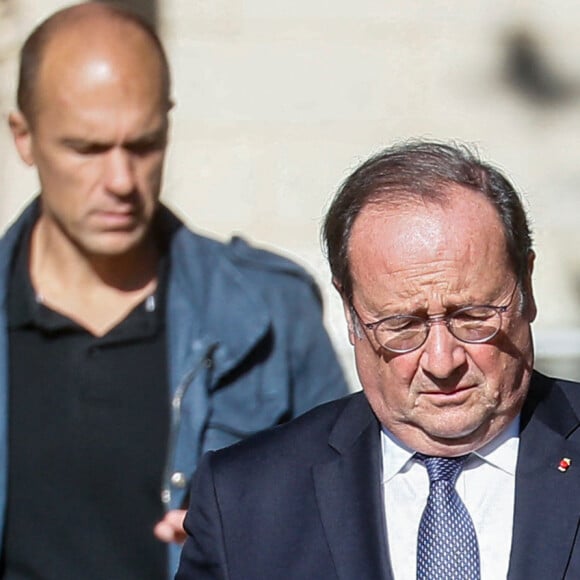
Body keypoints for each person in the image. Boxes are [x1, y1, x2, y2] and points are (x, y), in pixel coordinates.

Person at [1, 3, 348, 579]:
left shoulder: (268, 313)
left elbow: (347, 530)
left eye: (143, 145)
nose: (120, 181)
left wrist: (250, 536)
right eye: (86, 149)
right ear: (24, 137)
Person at [176, 140, 580, 580]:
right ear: (351, 314)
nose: (442, 362)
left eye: (473, 316)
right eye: (402, 325)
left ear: (526, 287)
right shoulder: (244, 500)